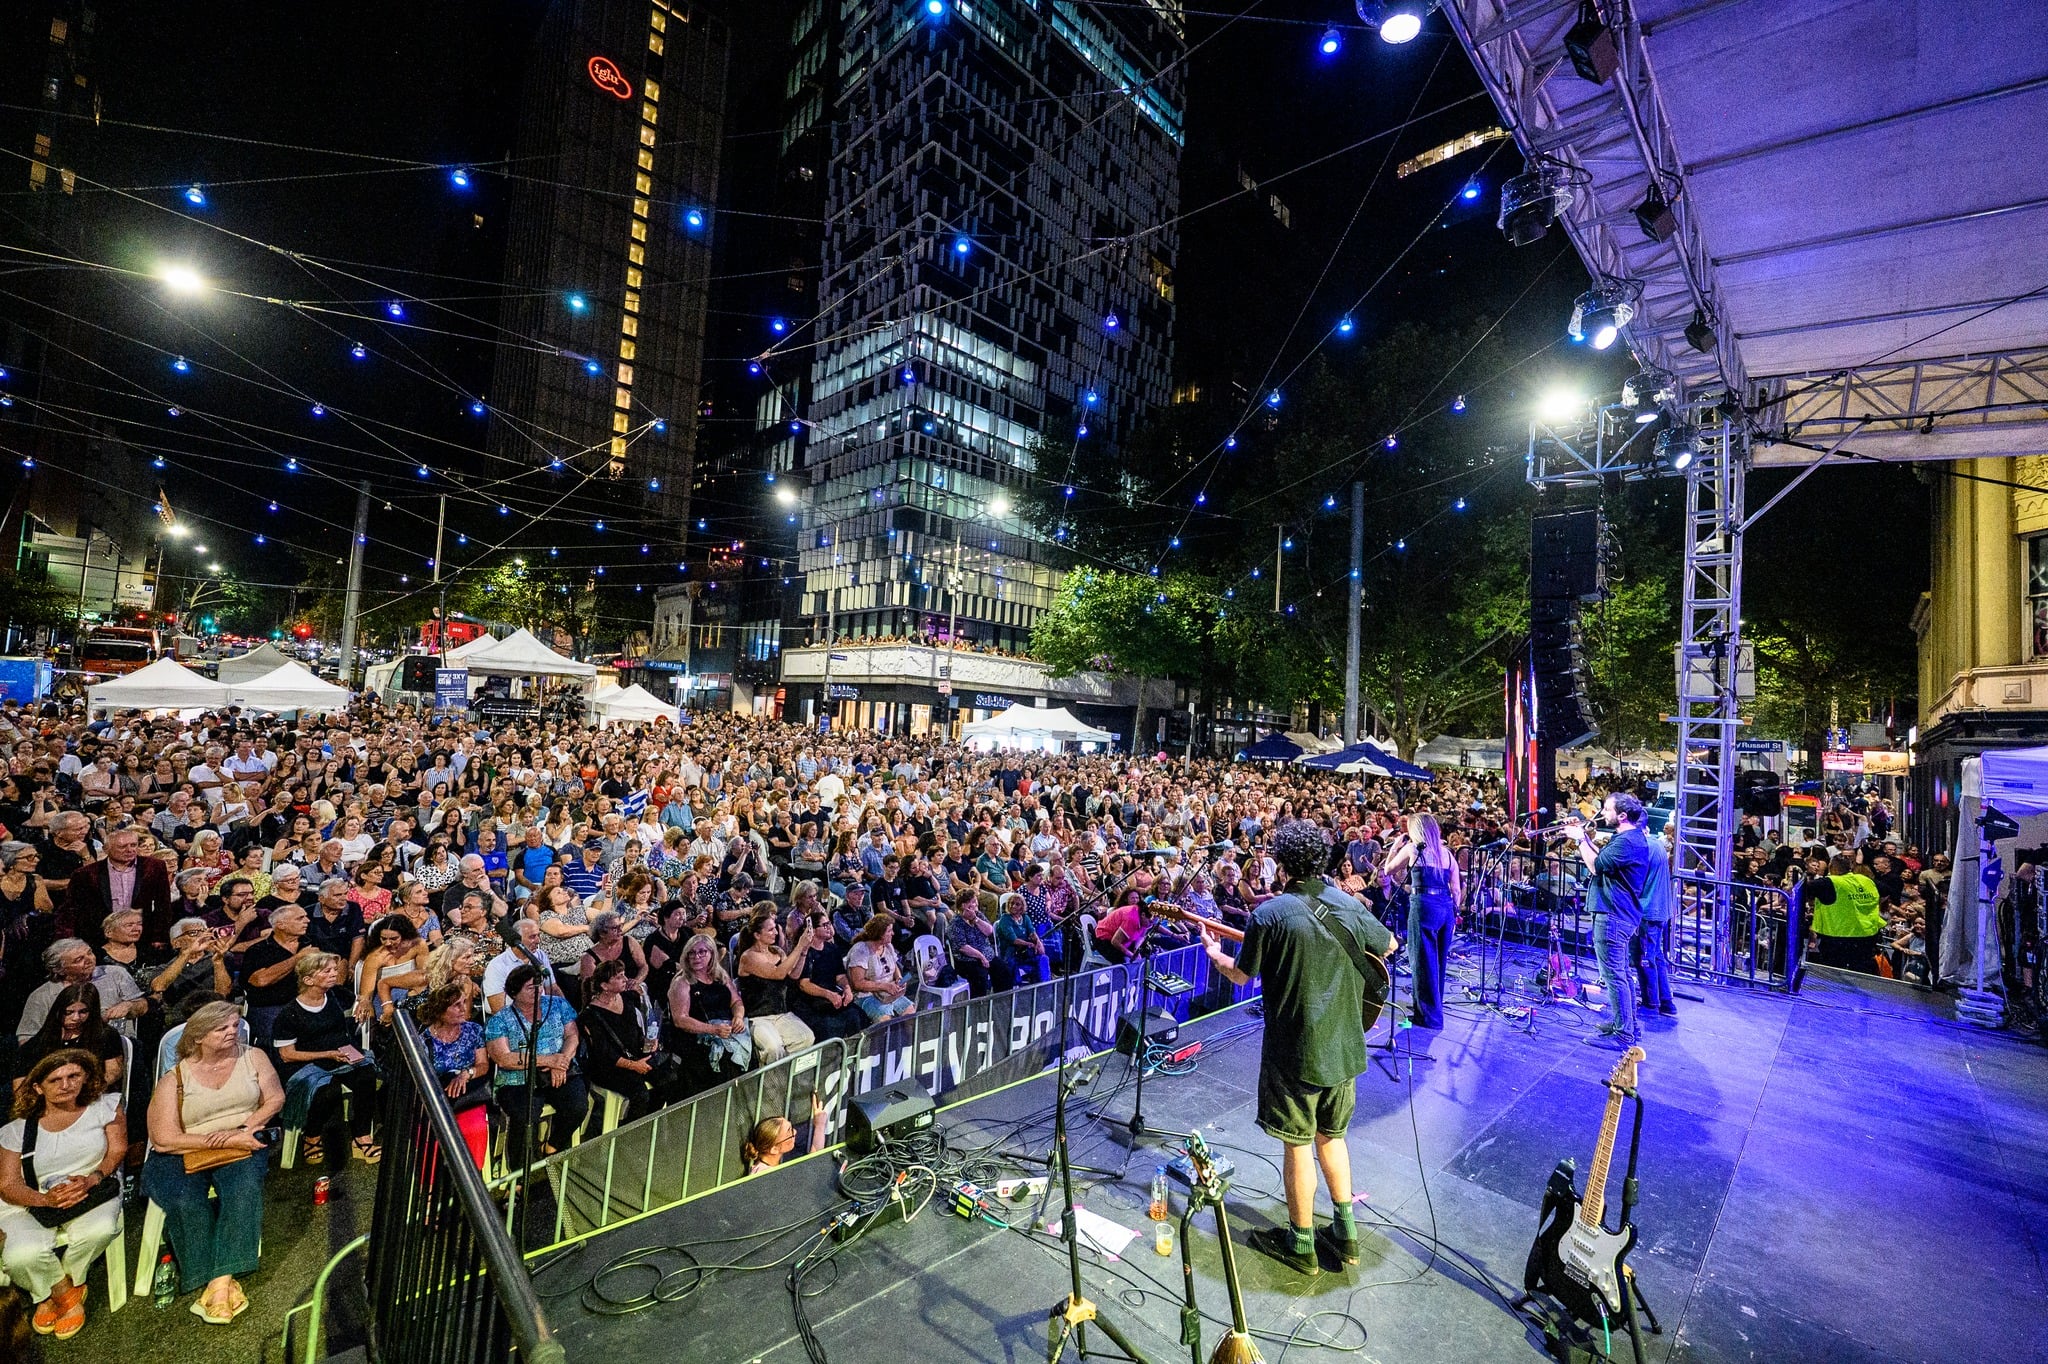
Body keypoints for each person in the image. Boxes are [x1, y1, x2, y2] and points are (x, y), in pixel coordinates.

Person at [1196, 819, 1391, 1277]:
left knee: (1299, 1144)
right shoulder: (1348, 903)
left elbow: (1242, 974)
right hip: (1346, 1045)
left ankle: (1301, 1242)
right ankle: (1346, 1236)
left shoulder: (1270, 915)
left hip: (1297, 1050)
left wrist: (1213, 953)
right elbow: (1390, 944)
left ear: (1281, 865)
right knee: (1333, 1136)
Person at [142, 999, 284, 1325]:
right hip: (183, 1148)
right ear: (199, 1037)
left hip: (241, 1139)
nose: (232, 1032)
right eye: (222, 1028)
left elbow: (275, 1097)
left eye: (235, 1025)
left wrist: (247, 1128)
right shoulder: (175, 1077)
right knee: (183, 1198)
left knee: (244, 1187)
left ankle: (218, 1286)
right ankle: (215, 1275)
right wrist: (221, 1138)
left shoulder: (253, 1057)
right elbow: (164, 1138)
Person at [0, 1049, 127, 1338]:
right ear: (38, 1087)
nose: (65, 1085)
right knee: (21, 1255)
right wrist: (45, 1199)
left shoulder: (105, 1107)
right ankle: (60, 1293)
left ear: (85, 1078)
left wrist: (91, 1179)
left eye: (73, 1076)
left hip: (89, 1189)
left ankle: (62, 1281)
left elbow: (117, 1150)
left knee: (101, 1229)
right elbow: (7, 1184)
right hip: (30, 1199)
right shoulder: (16, 1129)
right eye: (55, 1080)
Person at [271, 951, 382, 1166]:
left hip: (339, 1054)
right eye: (327, 971)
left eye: (334, 969)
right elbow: (287, 1054)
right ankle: (311, 1136)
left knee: (366, 1074)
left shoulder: (334, 995)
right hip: (306, 1061)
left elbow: (359, 999)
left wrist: (364, 1001)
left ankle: (361, 1137)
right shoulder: (290, 1013)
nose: (334, 974)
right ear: (308, 980)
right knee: (326, 1091)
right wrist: (328, 1054)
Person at [1566, 793, 1651, 1048]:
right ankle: (1626, 1025)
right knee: (1621, 973)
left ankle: (1623, 1034)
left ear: (1622, 815)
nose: (1602, 812)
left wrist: (1580, 839)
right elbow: (1602, 861)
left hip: (1613, 915)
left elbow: (1594, 867)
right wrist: (1585, 838)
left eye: (1607, 809)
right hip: (1618, 914)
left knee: (1614, 976)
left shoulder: (1628, 842)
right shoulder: (1628, 838)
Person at [484, 964, 586, 1168]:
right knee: (525, 1119)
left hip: (560, 1070)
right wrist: (548, 1060)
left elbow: (572, 1036)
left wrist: (561, 1061)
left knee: (577, 1106)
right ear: (514, 992)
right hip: (518, 1079)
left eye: (539, 985)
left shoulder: (557, 1005)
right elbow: (503, 1058)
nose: (538, 990)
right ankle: (519, 1175)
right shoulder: (501, 1019)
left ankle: (552, 1147)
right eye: (531, 987)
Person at [576, 958, 681, 1118]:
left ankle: (649, 1121)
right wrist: (633, 1065)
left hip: (635, 1056)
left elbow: (636, 1031)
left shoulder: (627, 998)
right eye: (619, 977)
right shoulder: (590, 1015)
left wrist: (649, 1043)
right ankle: (631, 1132)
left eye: (624, 975)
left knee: (669, 1080)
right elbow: (603, 1052)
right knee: (640, 1094)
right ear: (604, 986)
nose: (625, 979)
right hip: (610, 1067)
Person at [1381, 813, 1458, 1029]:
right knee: (1439, 961)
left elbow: (1388, 870)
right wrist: (1456, 910)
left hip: (1423, 906)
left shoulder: (1414, 848)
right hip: (1445, 908)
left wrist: (1395, 847)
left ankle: (1428, 1017)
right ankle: (1435, 1007)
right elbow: (1457, 889)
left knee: (1422, 960)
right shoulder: (1447, 854)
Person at [61, 826, 176, 950]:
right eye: (122, 847)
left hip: (142, 936)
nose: (130, 850)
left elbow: (163, 904)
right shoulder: (85, 874)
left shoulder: (154, 866)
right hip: (100, 938)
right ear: (106, 849)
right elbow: (71, 908)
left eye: (133, 845)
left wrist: (160, 936)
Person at [16, 938, 148, 1043]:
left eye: (89, 952)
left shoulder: (115, 974)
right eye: (79, 960)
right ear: (60, 969)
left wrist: (129, 1005)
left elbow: (142, 1006)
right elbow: (26, 1039)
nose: (89, 960)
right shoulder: (42, 996)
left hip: (118, 1045)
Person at [735, 906, 817, 1064]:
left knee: (806, 1038)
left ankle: (782, 1073)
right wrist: (799, 946)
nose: (776, 933)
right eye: (771, 930)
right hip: (758, 1017)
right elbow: (778, 974)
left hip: (780, 1013)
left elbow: (793, 974)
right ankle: (771, 1082)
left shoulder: (777, 951)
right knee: (774, 1048)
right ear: (757, 935)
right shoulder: (748, 957)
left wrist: (804, 951)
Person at [663, 934, 752, 1076]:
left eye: (701, 952)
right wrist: (713, 1029)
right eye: (691, 953)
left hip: (725, 1030)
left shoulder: (721, 976)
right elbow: (680, 1020)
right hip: (698, 1037)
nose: (696, 957)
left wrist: (738, 1017)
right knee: (726, 1062)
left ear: (712, 953)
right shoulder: (682, 982)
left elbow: (736, 1001)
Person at [13, 984, 123, 1099]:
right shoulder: (42, 1039)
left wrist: (83, 1092)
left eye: (83, 1012)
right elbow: (20, 1081)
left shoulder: (105, 1034)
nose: (76, 1018)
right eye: (69, 1012)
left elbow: (113, 1072)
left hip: (90, 1096)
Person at [1802, 855, 1888, 973]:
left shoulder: (1829, 882)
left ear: (1831, 867)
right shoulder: (1866, 880)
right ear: (1850, 867)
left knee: (1834, 974)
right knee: (1861, 973)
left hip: (1838, 936)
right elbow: (1887, 891)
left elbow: (1802, 890)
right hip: (1867, 934)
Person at [1634, 824, 1677, 1019]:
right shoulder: (1657, 844)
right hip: (1660, 909)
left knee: (1645, 959)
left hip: (1649, 910)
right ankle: (1666, 1001)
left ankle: (1651, 1003)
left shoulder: (1644, 848)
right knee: (1656, 957)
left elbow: (1636, 881)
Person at [846, 913, 915, 1023]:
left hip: (889, 992)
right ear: (880, 934)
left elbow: (894, 965)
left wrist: (899, 978)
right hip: (867, 995)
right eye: (889, 931)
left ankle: (908, 1040)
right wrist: (883, 986)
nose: (893, 933)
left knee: (910, 1013)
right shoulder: (861, 950)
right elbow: (858, 983)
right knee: (885, 1021)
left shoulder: (888, 946)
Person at [740, 1093, 828, 1175]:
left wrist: (819, 1125)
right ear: (774, 1149)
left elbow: (811, 1167)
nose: (795, 1132)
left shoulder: (768, 1169)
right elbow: (810, 1172)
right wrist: (820, 1125)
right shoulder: (763, 1174)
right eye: (789, 1131)